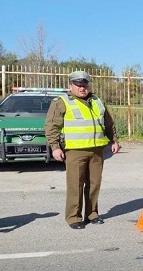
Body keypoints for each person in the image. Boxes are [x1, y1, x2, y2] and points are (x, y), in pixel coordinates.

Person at [45, 71, 120, 229]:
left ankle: (92, 214)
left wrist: (114, 140)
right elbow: (52, 126)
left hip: (96, 150)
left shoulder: (97, 100)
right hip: (75, 151)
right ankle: (73, 217)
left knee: (94, 184)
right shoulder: (61, 102)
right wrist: (55, 147)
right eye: (78, 85)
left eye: (84, 84)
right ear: (70, 85)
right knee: (75, 185)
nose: (81, 88)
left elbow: (108, 123)